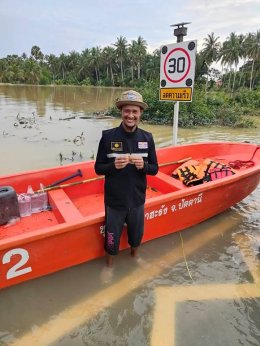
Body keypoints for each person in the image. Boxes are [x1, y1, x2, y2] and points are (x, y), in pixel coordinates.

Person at [95, 90, 158, 268]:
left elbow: (154, 169)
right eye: (127, 111)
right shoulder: (108, 136)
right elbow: (98, 168)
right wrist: (113, 166)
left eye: (135, 112)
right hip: (114, 200)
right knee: (111, 237)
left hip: (137, 198)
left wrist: (143, 166)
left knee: (136, 235)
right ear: (121, 112)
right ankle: (109, 265)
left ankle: (135, 257)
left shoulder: (147, 138)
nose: (130, 115)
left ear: (140, 114)